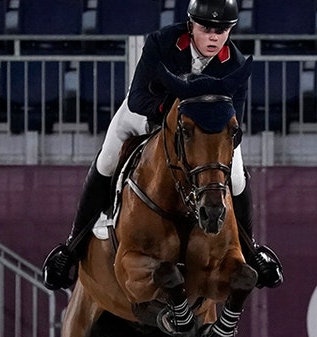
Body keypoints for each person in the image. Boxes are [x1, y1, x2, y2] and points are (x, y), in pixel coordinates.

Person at [41, 0, 283, 292]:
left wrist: (218, 134)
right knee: (106, 160)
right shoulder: (162, 42)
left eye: (222, 30)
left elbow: (236, 119)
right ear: (191, 24)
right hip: (146, 116)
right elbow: (138, 98)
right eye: (207, 29)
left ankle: (251, 249)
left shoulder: (234, 63)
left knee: (236, 176)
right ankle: (72, 247)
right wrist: (174, 117)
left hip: (204, 133)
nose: (214, 37)